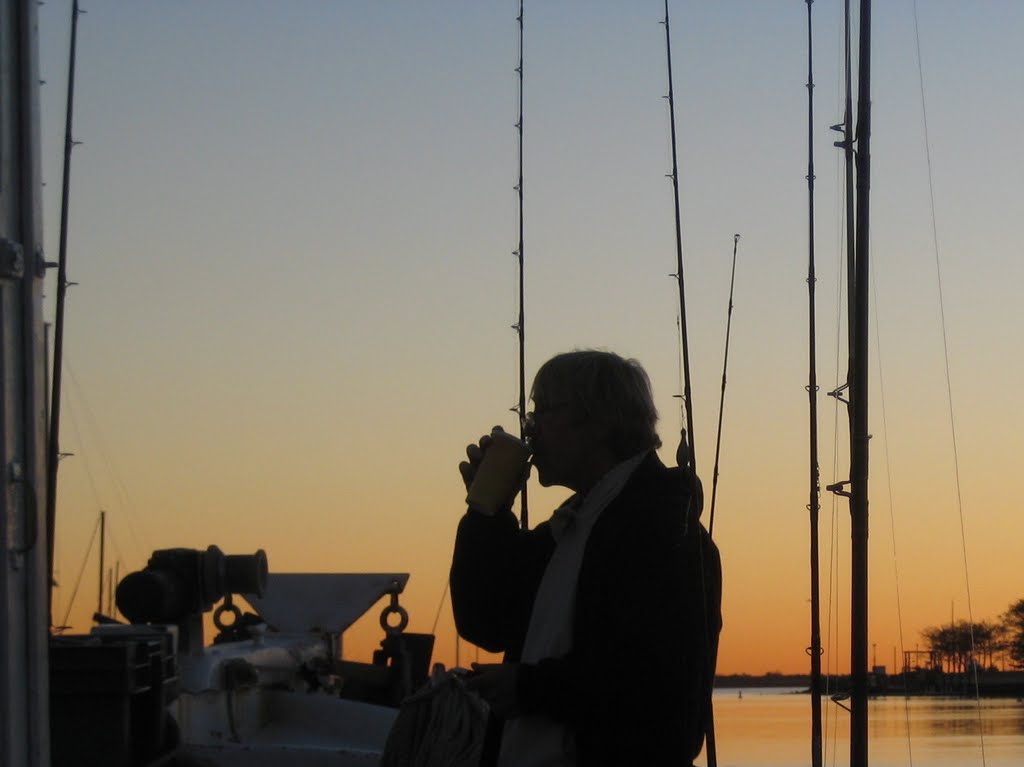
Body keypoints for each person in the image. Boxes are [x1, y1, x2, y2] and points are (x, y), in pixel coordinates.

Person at [450, 349, 722, 767]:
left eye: (542, 412)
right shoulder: (572, 529)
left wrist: (529, 689)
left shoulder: (666, 534)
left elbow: (658, 689)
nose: (530, 430)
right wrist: (487, 512)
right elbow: (486, 620)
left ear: (599, 420)